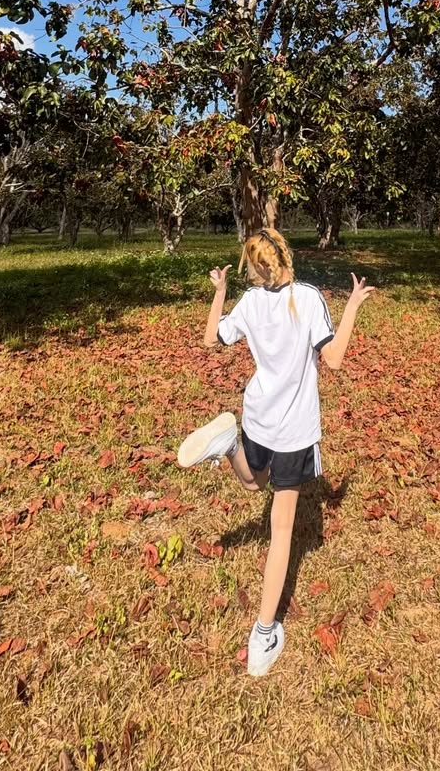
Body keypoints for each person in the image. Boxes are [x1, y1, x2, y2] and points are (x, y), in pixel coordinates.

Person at [176, 228, 375, 677]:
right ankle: (265, 630)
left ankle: (229, 445)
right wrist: (354, 308)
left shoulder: (248, 302)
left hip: (256, 416)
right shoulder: (307, 298)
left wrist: (220, 293)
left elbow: (212, 340)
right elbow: (336, 359)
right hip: (292, 431)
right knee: (281, 532)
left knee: (252, 481)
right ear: (286, 256)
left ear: (256, 268)